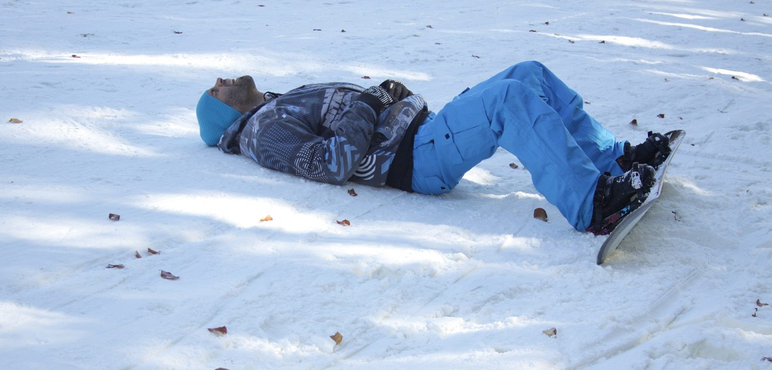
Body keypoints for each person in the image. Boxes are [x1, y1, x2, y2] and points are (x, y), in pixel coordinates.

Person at [195, 61, 670, 234]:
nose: (221, 81)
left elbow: (352, 119)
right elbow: (334, 163)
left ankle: (613, 161)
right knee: (508, 101)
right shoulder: (263, 133)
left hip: (425, 131)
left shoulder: (277, 105)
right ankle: (595, 204)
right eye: (214, 92)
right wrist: (372, 100)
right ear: (227, 118)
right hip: (415, 158)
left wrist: (387, 97)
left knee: (528, 73)